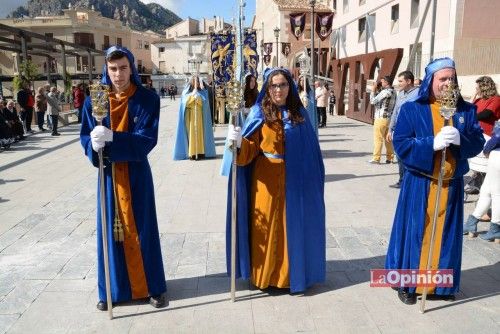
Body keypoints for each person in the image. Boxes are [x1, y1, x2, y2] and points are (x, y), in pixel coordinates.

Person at [385, 57, 485, 305]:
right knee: (416, 234)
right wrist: (431, 143)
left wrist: (462, 140)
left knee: (447, 238)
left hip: (451, 185)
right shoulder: (412, 108)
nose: (448, 83)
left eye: (452, 78)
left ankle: (441, 286)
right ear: (431, 81)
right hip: (420, 183)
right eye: (443, 79)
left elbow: (477, 142)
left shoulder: (466, 110)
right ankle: (408, 284)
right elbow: (401, 144)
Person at [79, 45, 166, 311]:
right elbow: (85, 134)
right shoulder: (94, 100)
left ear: (131, 67)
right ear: (106, 68)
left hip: (137, 174)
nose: (118, 74)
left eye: (123, 68)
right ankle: (112, 290)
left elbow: (146, 140)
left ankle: (151, 287)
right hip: (108, 176)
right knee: (109, 232)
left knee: (143, 228)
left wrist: (114, 139)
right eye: (113, 68)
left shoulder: (148, 99)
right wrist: (91, 144)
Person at [225, 68, 325, 293]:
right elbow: (248, 152)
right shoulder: (258, 113)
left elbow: (311, 150)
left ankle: (291, 276)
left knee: (292, 227)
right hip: (265, 182)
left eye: (283, 85)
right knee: (266, 228)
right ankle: (266, 275)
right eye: (274, 86)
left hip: (295, 180)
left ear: (290, 87)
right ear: (267, 88)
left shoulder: (300, 113)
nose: (278, 90)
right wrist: (238, 141)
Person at [463, 120, 500, 242]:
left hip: (497, 156)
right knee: (486, 191)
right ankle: (472, 221)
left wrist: (486, 149)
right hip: (495, 157)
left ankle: (495, 228)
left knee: (496, 194)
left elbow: (497, 137)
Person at [387, 71, 419, 188]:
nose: (398, 83)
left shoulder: (418, 94)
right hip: (400, 131)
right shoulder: (400, 94)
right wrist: (390, 129)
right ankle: (402, 180)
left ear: (409, 81)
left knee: (410, 157)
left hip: (412, 131)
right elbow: (395, 111)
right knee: (400, 156)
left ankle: (410, 182)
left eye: (400, 81)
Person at [173, 75, 216, 160]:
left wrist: (199, 97)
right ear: (192, 82)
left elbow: (206, 103)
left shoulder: (203, 92)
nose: (196, 83)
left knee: (200, 134)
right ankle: (192, 153)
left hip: (201, 117)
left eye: (197, 81)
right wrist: (192, 96)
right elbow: (183, 104)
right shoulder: (186, 92)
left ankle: (201, 152)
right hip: (190, 117)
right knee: (192, 134)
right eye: (194, 81)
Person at [369, 76, 396, 164]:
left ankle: (376, 158)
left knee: (378, 138)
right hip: (389, 118)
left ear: (386, 82)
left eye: (382, 82)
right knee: (388, 139)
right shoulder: (394, 91)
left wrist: (373, 90)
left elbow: (373, 101)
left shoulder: (385, 92)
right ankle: (390, 157)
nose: (381, 83)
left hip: (381, 118)